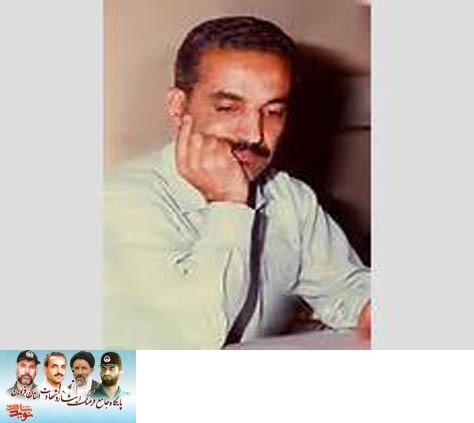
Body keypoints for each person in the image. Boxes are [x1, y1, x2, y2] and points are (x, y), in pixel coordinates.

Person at [105, 15, 371, 349]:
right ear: (178, 107)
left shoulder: (288, 197)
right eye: (229, 108)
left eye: (273, 112)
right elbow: (184, 344)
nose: (254, 134)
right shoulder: (121, 201)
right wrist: (229, 204)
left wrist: (367, 305)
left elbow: (345, 286)